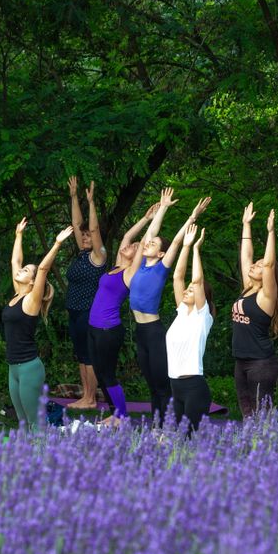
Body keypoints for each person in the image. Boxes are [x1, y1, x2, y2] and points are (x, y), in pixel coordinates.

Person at [130, 188, 209, 422]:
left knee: (162, 385)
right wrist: (162, 207)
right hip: (140, 331)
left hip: (154, 332)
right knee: (152, 385)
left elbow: (175, 241)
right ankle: (157, 426)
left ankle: (165, 427)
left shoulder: (161, 268)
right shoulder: (144, 264)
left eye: (153, 244)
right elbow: (151, 232)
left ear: (162, 252)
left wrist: (192, 216)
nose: (148, 243)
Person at [87, 205, 157, 422]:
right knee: (99, 373)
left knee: (108, 374)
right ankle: (114, 414)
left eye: (135, 247)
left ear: (138, 255)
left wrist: (156, 219)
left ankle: (122, 416)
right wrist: (145, 217)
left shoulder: (129, 273)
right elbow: (127, 235)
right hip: (93, 327)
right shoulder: (117, 266)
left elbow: (144, 241)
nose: (129, 245)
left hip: (109, 330)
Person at [5, 219, 75, 428]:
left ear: (34, 282)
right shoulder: (18, 294)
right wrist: (18, 235)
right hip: (13, 368)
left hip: (29, 368)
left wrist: (57, 244)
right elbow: (14, 262)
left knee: (35, 422)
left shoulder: (32, 301)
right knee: (22, 422)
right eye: (24, 269)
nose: (21, 271)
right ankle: (25, 459)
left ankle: (43, 457)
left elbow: (43, 269)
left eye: (26, 271)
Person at [232, 202, 278, 418]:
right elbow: (245, 257)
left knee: (262, 416)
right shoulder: (248, 288)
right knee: (247, 414)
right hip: (241, 361)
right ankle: (251, 451)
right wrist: (246, 226)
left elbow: (270, 264)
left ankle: (271, 450)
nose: (255, 265)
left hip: (261, 363)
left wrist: (271, 232)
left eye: (259, 265)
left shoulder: (266, 296)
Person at [64, 176, 107, 408]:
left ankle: (91, 398)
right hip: (74, 312)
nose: (84, 237)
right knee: (81, 355)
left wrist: (91, 202)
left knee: (89, 356)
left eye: (88, 235)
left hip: (89, 312)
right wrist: (73, 197)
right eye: (83, 235)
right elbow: (78, 224)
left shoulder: (98, 256)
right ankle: (85, 396)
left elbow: (92, 226)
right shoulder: (81, 254)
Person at [166, 221, 212, 432]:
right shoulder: (182, 312)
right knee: (177, 442)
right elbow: (177, 277)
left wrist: (196, 249)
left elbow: (197, 280)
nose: (186, 291)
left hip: (194, 387)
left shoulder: (202, 317)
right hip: (175, 387)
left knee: (189, 440)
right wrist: (185, 246)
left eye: (191, 291)